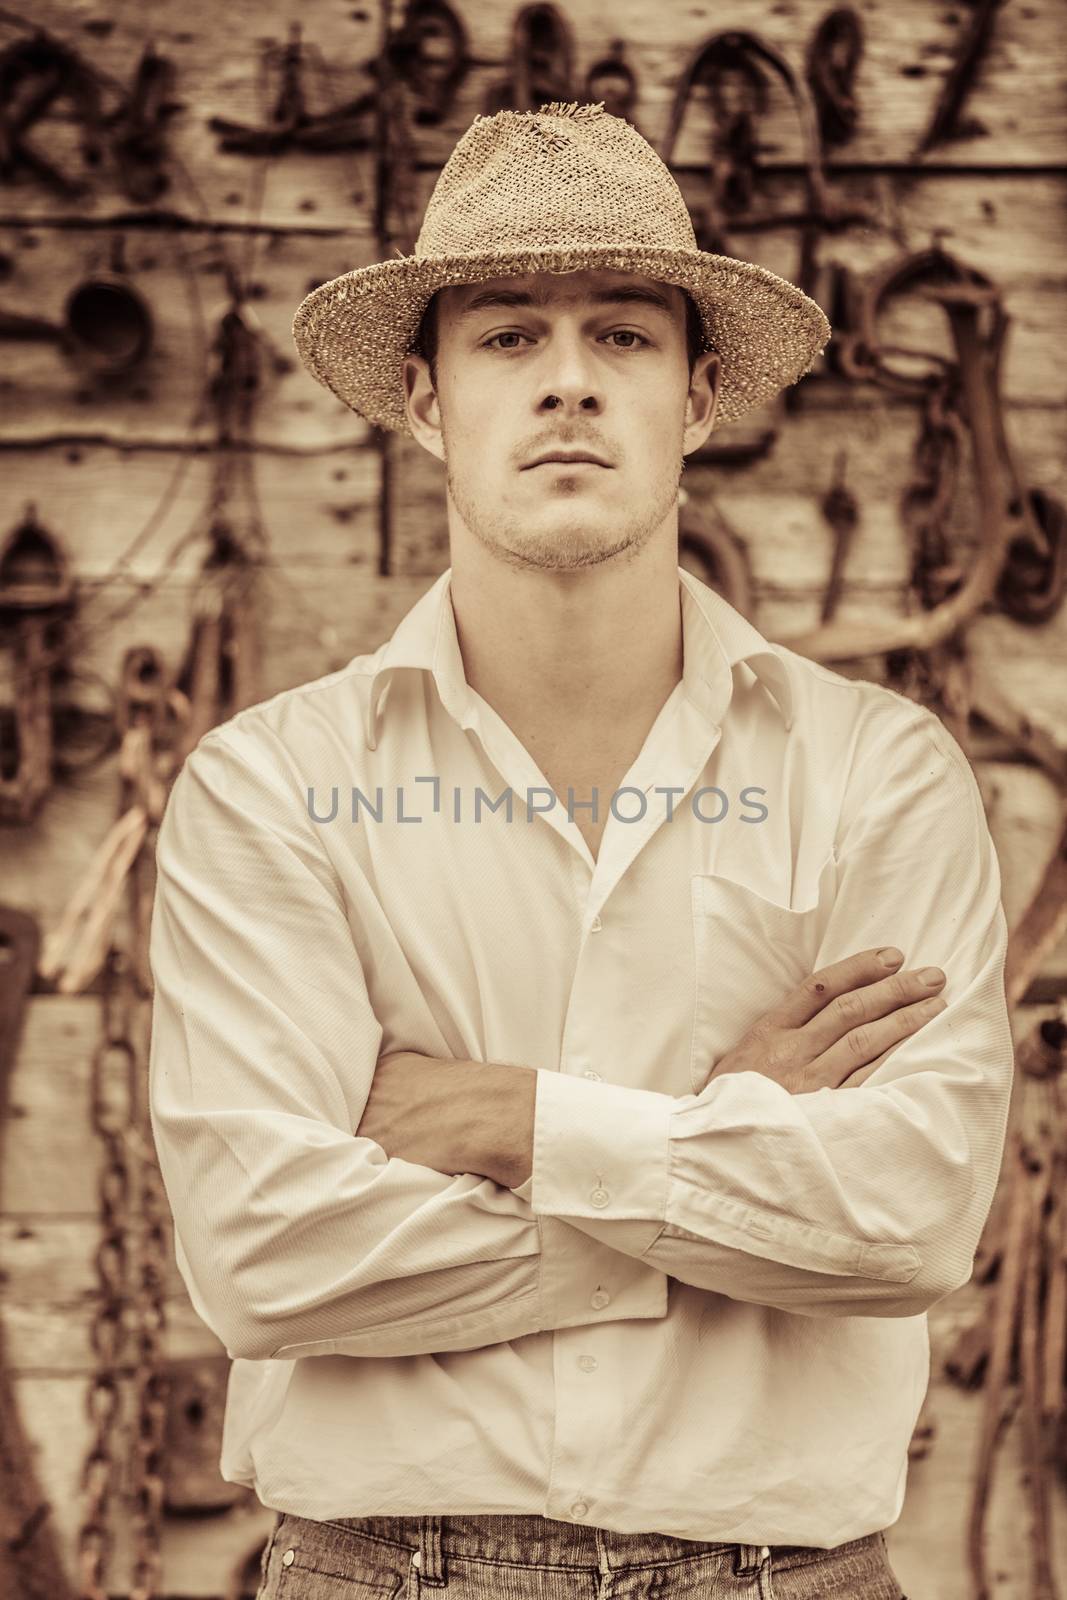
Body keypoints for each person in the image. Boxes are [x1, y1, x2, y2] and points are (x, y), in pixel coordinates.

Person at [148, 102, 1013, 1600]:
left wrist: (502, 1120)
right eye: (507, 340)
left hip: (787, 1573)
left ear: (695, 397)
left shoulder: (878, 776)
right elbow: (262, 1255)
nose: (567, 382)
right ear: (423, 403)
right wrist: (719, 1145)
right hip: (380, 1570)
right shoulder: (268, 790)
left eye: (622, 336)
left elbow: (910, 1218)